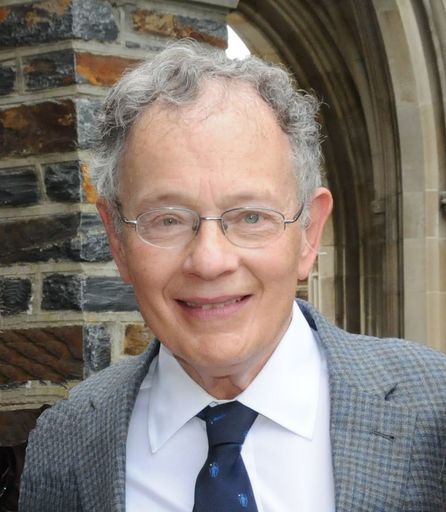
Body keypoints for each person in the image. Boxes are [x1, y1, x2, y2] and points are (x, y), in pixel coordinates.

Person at [19, 41, 446, 512]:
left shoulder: (434, 409)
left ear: (309, 233)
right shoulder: (67, 442)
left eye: (251, 217)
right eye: (168, 219)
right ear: (117, 240)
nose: (210, 261)